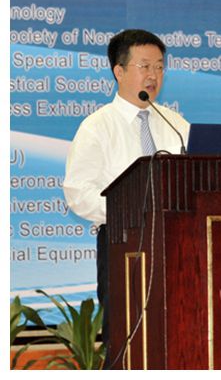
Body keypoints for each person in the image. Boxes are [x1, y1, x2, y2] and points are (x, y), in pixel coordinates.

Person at [63, 29, 189, 364]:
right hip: (123, 245)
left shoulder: (176, 123)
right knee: (127, 340)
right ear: (119, 71)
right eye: (144, 66)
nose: (153, 75)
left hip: (177, 246)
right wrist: (127, 210)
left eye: (159, 67)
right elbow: (78, 192)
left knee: (178, 334)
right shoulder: (97, 127)